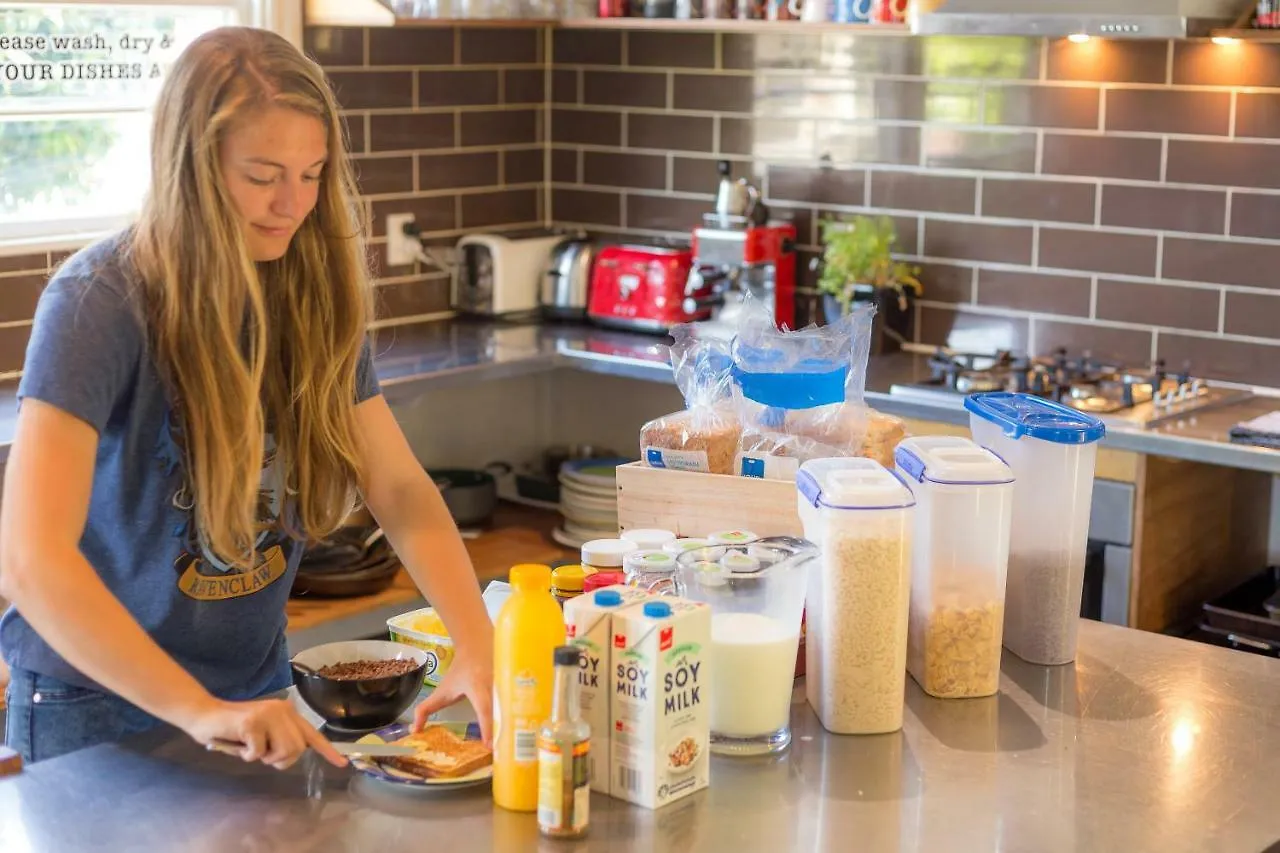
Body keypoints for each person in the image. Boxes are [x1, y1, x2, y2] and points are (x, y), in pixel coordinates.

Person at [0, 26, 494, 768]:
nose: (290, 204)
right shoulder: (98, 302)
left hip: (252, 692)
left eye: (312, 172)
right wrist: (194, 708)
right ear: (191, 170)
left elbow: (396, 486)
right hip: (92, 702)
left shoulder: (310, 290)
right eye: (262, 174)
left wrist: (479, 643)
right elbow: (33, 561)